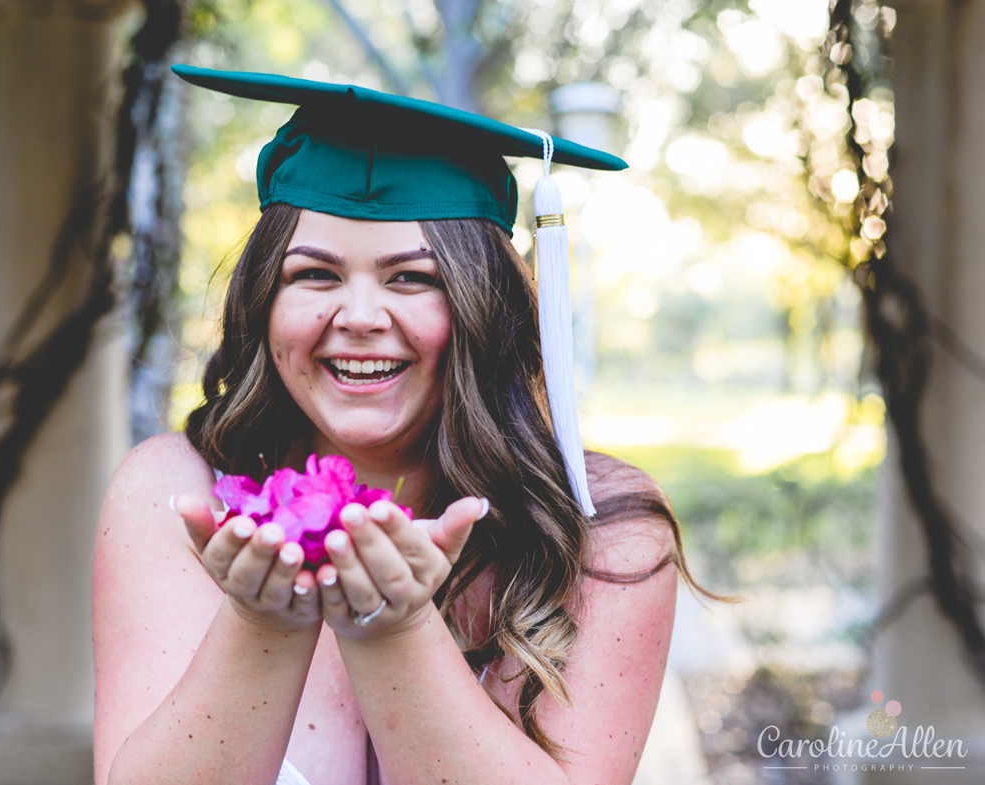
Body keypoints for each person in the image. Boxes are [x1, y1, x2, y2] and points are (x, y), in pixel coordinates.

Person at [93, 67, 710, 785]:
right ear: (263, 299)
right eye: (314, 275)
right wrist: (263, 622)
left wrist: (392, 627)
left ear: (485, 306)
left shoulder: (604, 532)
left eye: (412, 278)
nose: (358, 316)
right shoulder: (176, 499)